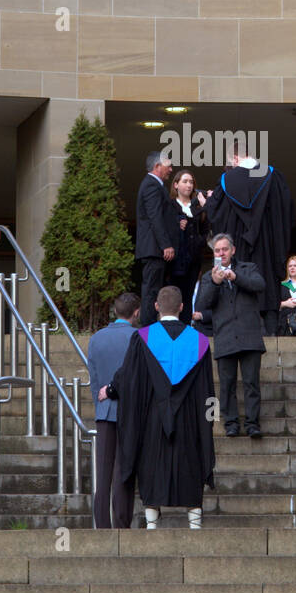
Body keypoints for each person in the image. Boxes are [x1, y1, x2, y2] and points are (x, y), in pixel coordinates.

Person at [100, 286, 215, 530]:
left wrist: (111, 389)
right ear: (182, 307)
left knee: (152, 463)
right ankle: (194, 519)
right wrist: (209, 419)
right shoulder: (199, 342)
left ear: (156, 307)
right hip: (189, 420)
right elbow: (207, 392)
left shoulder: (143, 338)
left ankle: (152, 521)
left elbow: (129, 377)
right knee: (190, 463)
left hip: (153, 418)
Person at [203, 146, 294, 336]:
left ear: (235, 158)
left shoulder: (227, 181)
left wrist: (207, 202)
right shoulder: (273, 176)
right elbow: (286, 213)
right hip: (267, 245)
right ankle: (272, 335)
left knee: (240, 283)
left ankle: (242, 335)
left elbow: (215, 213)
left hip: (238, 244)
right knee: (268, 288)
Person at [195, 233, 266, 438]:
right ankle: (231, 423)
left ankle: (253, 424)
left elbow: (260, 285)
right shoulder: (209, 277)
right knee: (227, 385)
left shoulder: (247, 268)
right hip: (225, 336)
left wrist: (236, 277)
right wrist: (216, 283)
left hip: (249, 336)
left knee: (252, 382)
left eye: (224, 249)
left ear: (233, 250)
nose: (221, 253)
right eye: (217, 251)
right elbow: (202, 305)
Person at [86, 293, 141, 528]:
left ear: (114, 311)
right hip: (130, 413)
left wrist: (100, 405)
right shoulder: (139, 337)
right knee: (124, 471)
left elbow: (94, 378)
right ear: (136, 312)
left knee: (103, 474)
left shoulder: (96, 338)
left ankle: (101, 523)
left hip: (104, 411)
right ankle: (121, 523)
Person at [135, 151, 178, 326]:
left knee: (153, 289)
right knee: (152, 291)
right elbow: (155, 218)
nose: (171, 169)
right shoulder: (152, 185)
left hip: (154, 249)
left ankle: (150, 327)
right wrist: (166, 245)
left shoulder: (153, 185)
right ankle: (147, 329)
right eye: (168, 165)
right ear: (157, 166)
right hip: (154, 249)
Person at [166, 169, 207, 325]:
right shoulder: (170, 205)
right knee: (174, 295)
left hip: (193, 259)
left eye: (191, 182)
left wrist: (199, 242)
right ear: (176, 184)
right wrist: (177, 226)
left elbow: (206, 231)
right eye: (185, 181)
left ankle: (185, 329)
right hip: (175, 260)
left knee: (188, 296)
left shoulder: (198, 207)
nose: (189, 185)